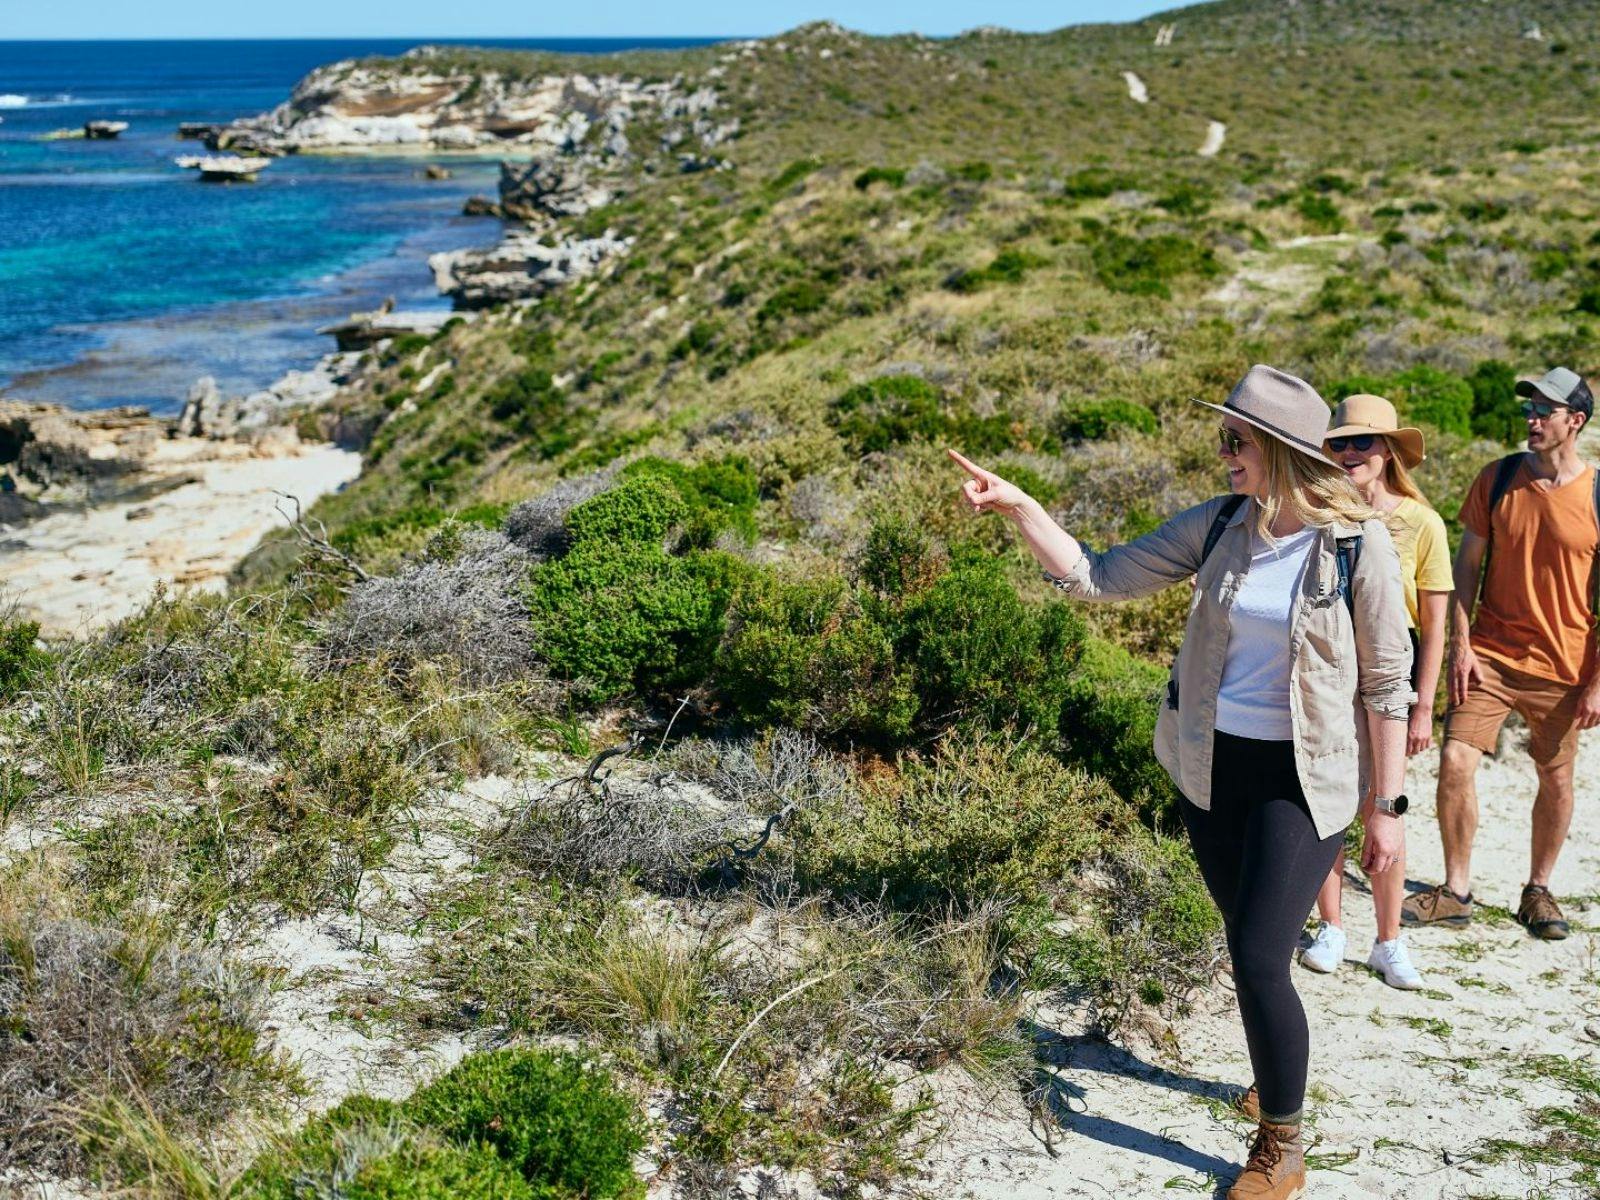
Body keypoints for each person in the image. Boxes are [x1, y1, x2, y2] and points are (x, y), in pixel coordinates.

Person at [949, 365, 1412, 1200]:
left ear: (1279, 449)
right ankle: (1275, 1073)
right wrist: (1021, 507)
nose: (1223, 452)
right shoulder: (1222, 523)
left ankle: (1282, 1146)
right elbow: (1098, 575)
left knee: (1260, 956)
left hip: (1305, 781)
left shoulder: (1356, 545)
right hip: (1211, 767)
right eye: (1223, 437)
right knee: (1248, 943)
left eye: (1236, 440)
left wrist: (1388, 808)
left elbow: (1385, 685)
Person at [1403, 367, 1600, 940]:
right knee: (1454, 761)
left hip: (1565, 664)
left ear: (1575, 421)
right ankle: (1456, 892)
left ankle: (1538, 889)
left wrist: (1597, 682)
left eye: (1544, 411)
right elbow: (1464, 567)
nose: (1532, 419)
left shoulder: (1596, 493)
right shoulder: (1497, 479)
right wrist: (1461, 644)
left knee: (1555, 779)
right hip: (1489, 654)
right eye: (1528, 409)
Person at [1298, 396, 1451, 989]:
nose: (1350, 452)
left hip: (1390, 672)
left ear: (1389, 450)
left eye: (1363, 441)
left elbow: (1434, 626)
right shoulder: (1315, 514)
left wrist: (1423, 706)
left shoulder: (1422, 522)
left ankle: (1389, 940)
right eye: (1339, 442)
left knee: (1386, 803)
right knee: (1327, 796)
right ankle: (1331, 925)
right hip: (1329, 664)